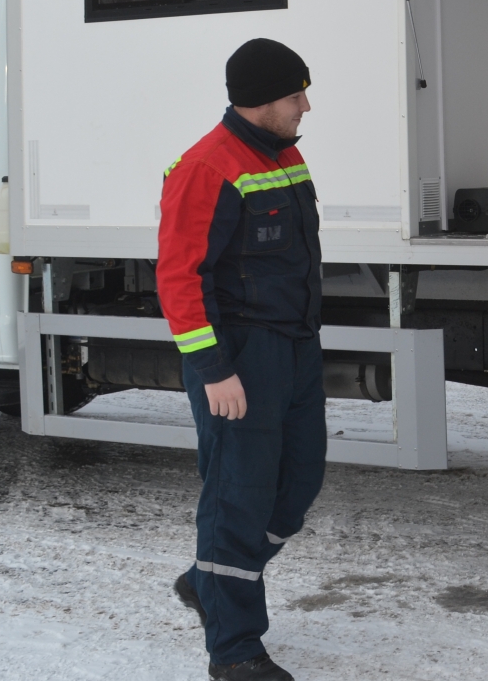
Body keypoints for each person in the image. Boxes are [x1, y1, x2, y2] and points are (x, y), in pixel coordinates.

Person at [159, 38, 325, 681]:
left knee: (299, 482)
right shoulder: (206, 168)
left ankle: (210, 578)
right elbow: (179, 278)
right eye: (294, 96)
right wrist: (214, 370)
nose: (305, 107)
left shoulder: (285, 155)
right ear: (259, 102)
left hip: (295, 347)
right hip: (241, 357)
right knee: (239, 497)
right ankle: (234, 651)